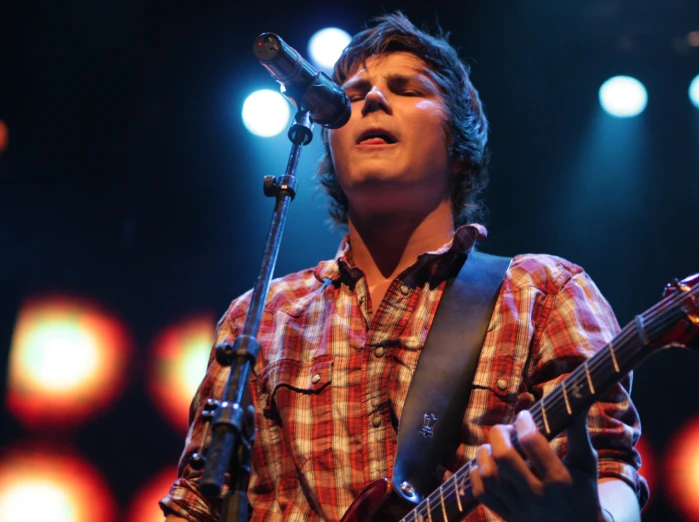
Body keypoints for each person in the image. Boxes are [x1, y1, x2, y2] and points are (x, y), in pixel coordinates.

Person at [160, 12, 648, 522]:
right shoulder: (263, 318)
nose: (371, 99)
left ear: (459, 146)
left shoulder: (542, 293)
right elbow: (197, 502)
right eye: (350, 94)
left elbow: (611, 465)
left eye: (405, 88)